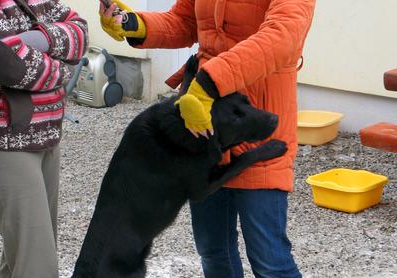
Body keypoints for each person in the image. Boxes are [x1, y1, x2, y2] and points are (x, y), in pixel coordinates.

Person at [99, 0, 315, 277]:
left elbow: (283, 37)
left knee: (269, 259)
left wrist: (212, 80)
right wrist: (133, 23)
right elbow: (185, 22)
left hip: (255, 121)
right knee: (213, 251)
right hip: (202, 120)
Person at [0, 0, 88, 277]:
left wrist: (37, 39)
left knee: (21, 260)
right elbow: (3, 60)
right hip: (5, 143)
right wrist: (63, 70)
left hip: (46, 135)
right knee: (37, 264)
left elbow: (80, 31)